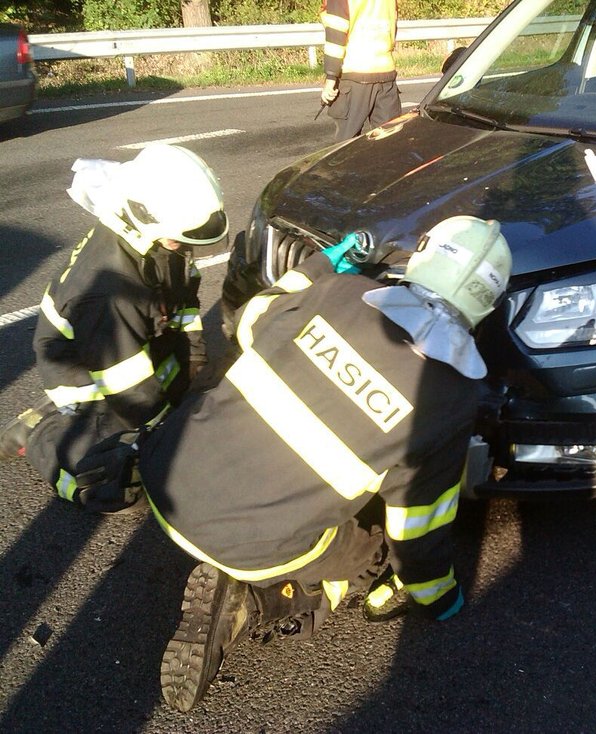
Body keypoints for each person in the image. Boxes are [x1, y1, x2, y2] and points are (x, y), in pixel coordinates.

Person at [80, 215, 511, 712]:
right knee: (371, 546)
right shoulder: (451, 397)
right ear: (486, 304)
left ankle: (243, 563)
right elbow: (418, 528)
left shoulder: (338, 293)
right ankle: (263, 601)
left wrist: (324, 264)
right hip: (249, 546)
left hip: (165, 474)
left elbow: (254, 316)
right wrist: (438, 596)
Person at [0, 144, 228, 512]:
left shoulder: (163, 242)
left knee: (193, 401)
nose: (188, 243)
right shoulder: (109, 290)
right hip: (88, 372)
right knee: (121, 487)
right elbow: (128, 385)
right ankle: (43, 435)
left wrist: (196, 365)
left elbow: (185, 303)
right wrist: (163, 435)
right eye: (183, 235)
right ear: (143, 216)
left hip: (135, 346)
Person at [319, 0, 402, 141]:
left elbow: (336, 34)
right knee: (388, 142)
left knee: (346, 144)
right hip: (386, 71)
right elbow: (393, 25)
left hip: (355, 71)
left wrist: (331, 78)